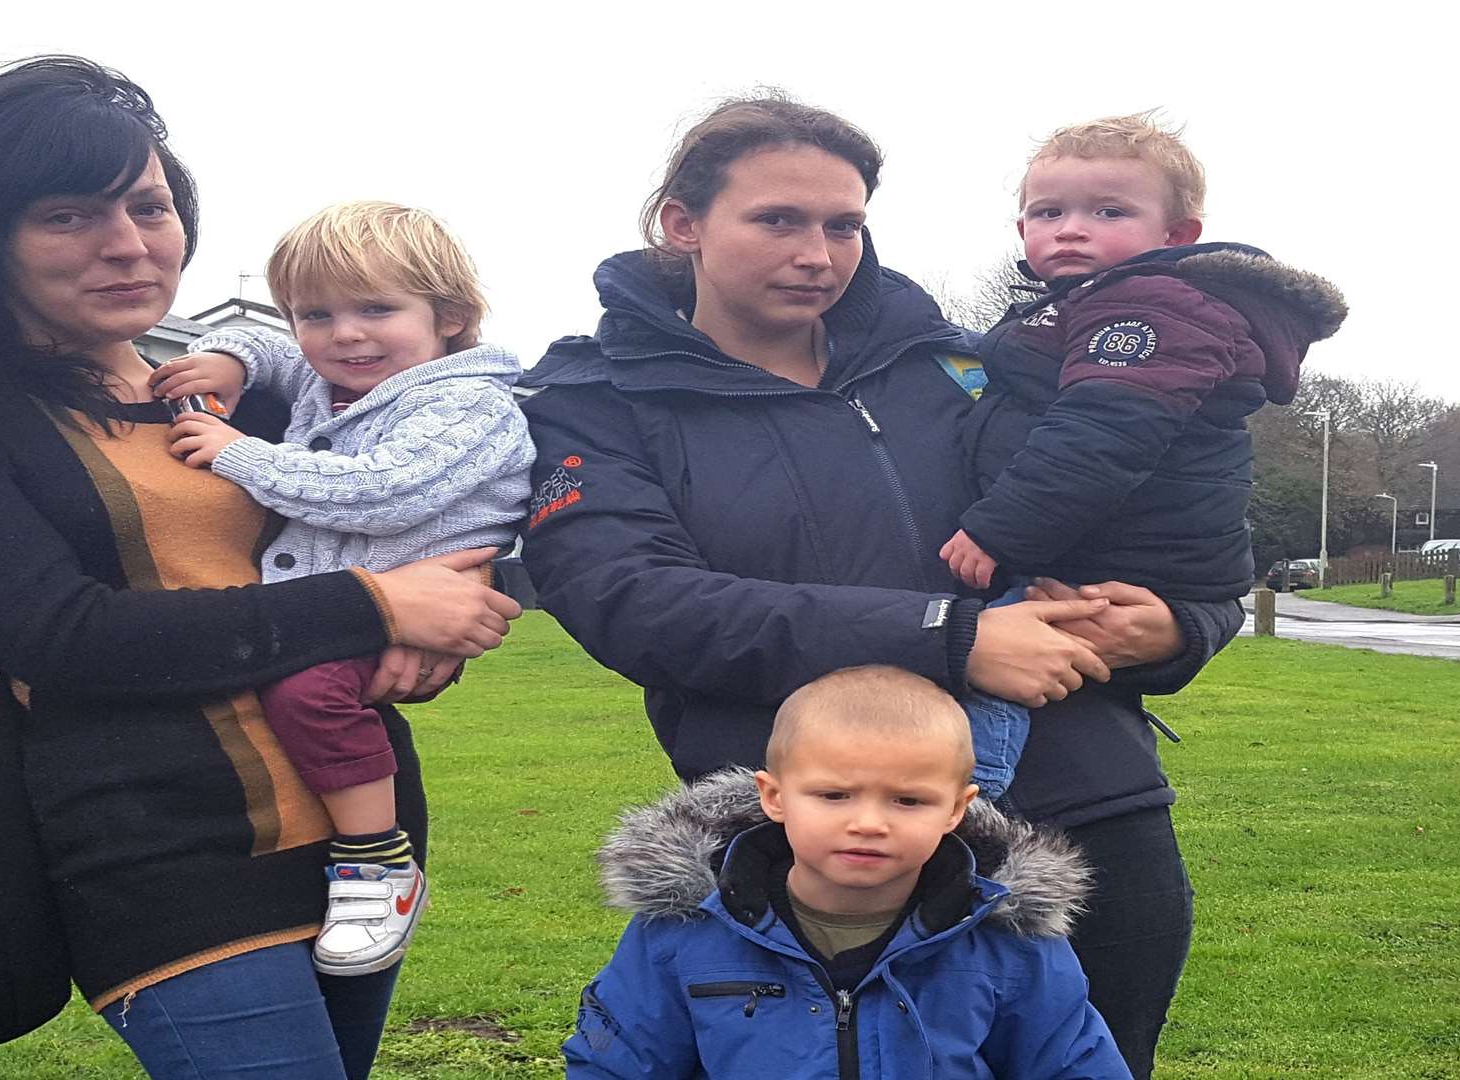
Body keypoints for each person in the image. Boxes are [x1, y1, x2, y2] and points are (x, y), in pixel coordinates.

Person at [0, 57, 520, 1080]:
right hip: (154, 856)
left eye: (150, 206)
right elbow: (60, 638)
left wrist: (459, 604)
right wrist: (374, 605)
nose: (128, 244)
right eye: (68, 215)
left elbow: (433, 506)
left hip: (360, 839)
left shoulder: (257, 401)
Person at [517, 94, 1245, 1079]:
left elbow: (1157, 505)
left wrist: (1182, 624)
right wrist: (952, 637)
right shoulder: (596, 396)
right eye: (778, 219)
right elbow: (632, 601)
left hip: (1086, 817)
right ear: (681, 225)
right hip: (820, 858)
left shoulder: (953, 363)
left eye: (844, 224)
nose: (818, 252)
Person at [149, 201, 533, 976]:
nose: (344, 335)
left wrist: (241, 453)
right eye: (315, 314)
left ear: (451, 317)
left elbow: (383, 492)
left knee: (308, 696)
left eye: (376, 309)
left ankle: (377, 864)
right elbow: (266, 343)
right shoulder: (338, 380)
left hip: (403, 607)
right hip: (356, 601)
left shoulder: (467, 404)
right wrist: (230, 360)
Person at [940, 113, 1347, 802]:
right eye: (1049, 211)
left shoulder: (1150, 307)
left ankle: (974, 785)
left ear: (1176, 235)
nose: (1071, 228)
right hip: (1136, 550)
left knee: (1011, 642)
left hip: (1133, 555)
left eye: (1108, 211)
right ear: (1022, 229)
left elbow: (1101, 434)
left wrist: (999, 529)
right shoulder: (1082, 307)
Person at [563, 666, 1130, 1079]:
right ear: (774, 797)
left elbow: (1073, 1066)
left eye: (908, 801)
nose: (867, 823)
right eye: (833, 795)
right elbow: (614, 1065)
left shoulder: (1008, 938)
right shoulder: (684, 931)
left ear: (957, 809)